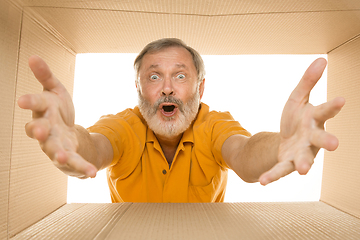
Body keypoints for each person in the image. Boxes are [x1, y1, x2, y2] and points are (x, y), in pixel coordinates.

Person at [18, 38, 345, 203]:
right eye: (154, 76)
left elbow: (244, 154)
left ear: (200, 88)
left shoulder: (213, 124)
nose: (168, 89)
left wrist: (280, 147)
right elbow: (96, 146)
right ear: (138, 88)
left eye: (180, 76)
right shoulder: (125, 126)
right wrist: (71, 140)